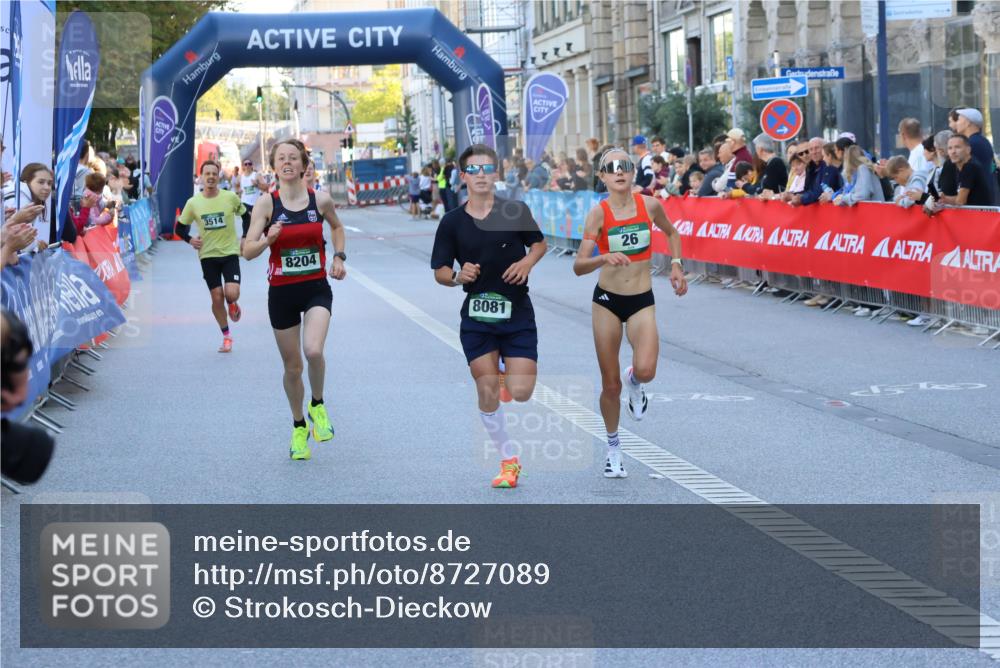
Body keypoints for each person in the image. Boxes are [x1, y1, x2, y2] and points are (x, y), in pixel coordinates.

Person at [430, 144, 547, 489]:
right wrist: (456, 277)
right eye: (474, 169)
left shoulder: (515, 211)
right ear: (462, 176)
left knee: (522, 391)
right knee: (486, 390)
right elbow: (439, 270)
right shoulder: (452, 222)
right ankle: (508, 460)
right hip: (477, 316)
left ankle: (503, 374)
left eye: (487, 168)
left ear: (496, 174)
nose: (481, 175)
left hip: (516, 313)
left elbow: (538, 244)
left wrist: (527, 262)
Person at [573, 148, 687, 479]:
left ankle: (635, 380)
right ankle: (613, 449)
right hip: (607, 300)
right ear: (603, 177)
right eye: (611, 168)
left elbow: (672, 233)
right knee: (610, 386)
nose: (619, 171)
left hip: (641, 298)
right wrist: (603, 258)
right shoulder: (598, 214)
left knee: (647, 370)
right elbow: (579, 266)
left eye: (625, 166)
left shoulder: (649, 205)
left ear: (633, 172)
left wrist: (677, 265)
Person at [243, 139, 346, 461]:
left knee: (313, 350)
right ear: (274, 167)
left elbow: (337, 227)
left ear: (303, 166)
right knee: (292, 367)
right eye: (281, 158)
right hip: (282, 292)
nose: (287, 162)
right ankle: (299, 424)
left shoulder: (321, 200)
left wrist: (339, 256)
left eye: (293, 158)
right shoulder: (265, 204)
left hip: (315, 286)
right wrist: (267, 240)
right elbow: (246, 251)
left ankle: (317, 403)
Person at [176, 160, 246, 354]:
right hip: (208, 255)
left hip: (230, 252)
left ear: (219, 176)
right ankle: (226, 336)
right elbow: (179, 228)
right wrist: (190, 240)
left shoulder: (230, 197)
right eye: (207, 174)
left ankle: (232, 303)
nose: (211, 177)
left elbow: (247, 215)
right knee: (216, 297)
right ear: (201, 177)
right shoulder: (193, 203)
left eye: (214, 173)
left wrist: (245, 238)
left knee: (231, 293)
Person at [953, 107, 997, 204]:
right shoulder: (983, 141)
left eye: (959, 119)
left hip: (976, 203)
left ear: (968, 123)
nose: (956, 123)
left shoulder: (973, 144)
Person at [937, 134, 993, 207]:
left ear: (968, 150)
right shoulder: (960, 166)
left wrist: (945, 198)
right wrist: (944, 199)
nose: (953, 151)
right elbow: (959, 199)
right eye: (950, 148)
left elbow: (960, 201)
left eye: (957, 147)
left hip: (980, 215)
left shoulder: (970, 166)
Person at [17, 164, 54, 252]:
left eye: (49, 183)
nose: (47, 187)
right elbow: (22, 243)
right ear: (26, 181)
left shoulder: (24, 196)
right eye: (41, 182)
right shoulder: (20, 198)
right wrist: (36, 245)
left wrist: (36, 243)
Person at [235, 159, 267, 247]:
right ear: (243, 166)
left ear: (252, 165)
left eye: (249, 164)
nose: (248, 165)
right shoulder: (240, 177)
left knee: (255, 222)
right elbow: (236, 186)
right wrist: (238, 191)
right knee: (246, 221)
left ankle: (253, 240)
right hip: (244, 203)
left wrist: (257, 184)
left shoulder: (256, 175)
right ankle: (243, 245)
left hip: (256, 204)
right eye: (246, 164)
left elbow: (265, 187)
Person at [753, 133, 788, 199]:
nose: (756, 151)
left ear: (760, 149)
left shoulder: (775, 162)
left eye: (756, 148)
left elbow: (767, 187)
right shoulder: (769, 163)